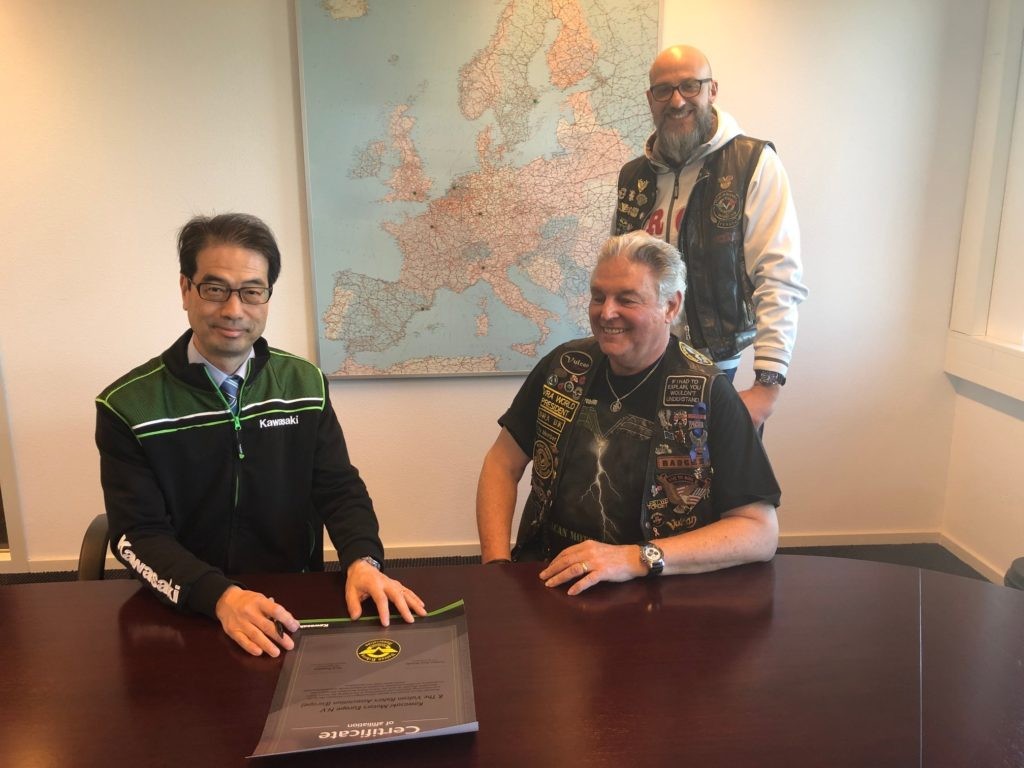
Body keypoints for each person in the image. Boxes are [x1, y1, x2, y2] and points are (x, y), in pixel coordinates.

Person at [96, 213, 426, 656]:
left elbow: (338, 487)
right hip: (185, 606)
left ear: (268, 296)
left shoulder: (304, 383)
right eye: (215, 289)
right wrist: (220, 597)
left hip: (291, 600)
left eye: (252, 291)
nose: (234, 310)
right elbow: (138, 534)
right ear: (185, 289)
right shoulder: (128, 405)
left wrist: (363, 560)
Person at [476, 231, 780, 594]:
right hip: (550, 576)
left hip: (655, 590)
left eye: (627, 299)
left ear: (670, 306)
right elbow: (501, 463)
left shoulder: (710, 391)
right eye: (598, 297)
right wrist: (495, 566)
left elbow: (759, 531)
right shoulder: (562, 368)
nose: (606, 313)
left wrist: (634, 558)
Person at [614, 44, 807, 428]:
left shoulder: (752, 163)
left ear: (711, 90)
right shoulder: (633, 176)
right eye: (664, 90)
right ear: (651, 100)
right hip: (640, 365)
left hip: (719, 370)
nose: (677, 101)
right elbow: (619, 275)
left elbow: (779, 276)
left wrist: (766, 389)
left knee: (714, 470)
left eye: (690, 85)